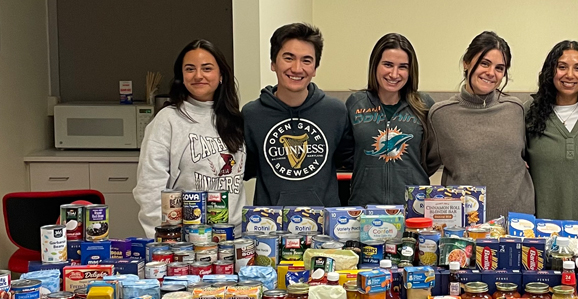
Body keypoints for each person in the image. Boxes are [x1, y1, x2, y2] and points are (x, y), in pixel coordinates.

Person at [134, 39, 245, 236]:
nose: (198, 75)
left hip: (233, 239)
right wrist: (164, 240)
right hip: (185, 241)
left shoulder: (235, 119)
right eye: (190, 69)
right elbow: (149, 188)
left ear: (221, 75)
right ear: (182, 76)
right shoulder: (167, 120)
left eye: (207, 68)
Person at [426, 31, 534, 220]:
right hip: (465, 227)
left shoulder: (516, 109)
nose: (491, 73)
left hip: (517, 224)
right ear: (466, 62)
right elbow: (421, 167)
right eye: (484, 63)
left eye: (499, 68)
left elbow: (531, 158)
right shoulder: (441, 115)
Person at [244, 23, 352, 206]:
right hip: (269, 227)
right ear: (273, 63)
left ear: (315, 68)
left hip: (324, 229)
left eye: (306, 60)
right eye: (288, 58)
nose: (296, 68)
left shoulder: (336, 112)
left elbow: (350, 162)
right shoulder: (252, 115)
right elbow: (244, 170)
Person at [524, 40, 578, 220]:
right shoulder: (529, 114)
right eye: (562, 67)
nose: (570, 75)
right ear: (551, 71)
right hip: (543, 230)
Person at [345, 33, 435, 206]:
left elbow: (432, 156)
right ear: (375, 65)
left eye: (403, 67)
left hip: (413, 209)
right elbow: (346, 153)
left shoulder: (424, 105)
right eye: (388, 65)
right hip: (365, 209)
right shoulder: (355, 103)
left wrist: (408, 172)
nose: (394, 74)